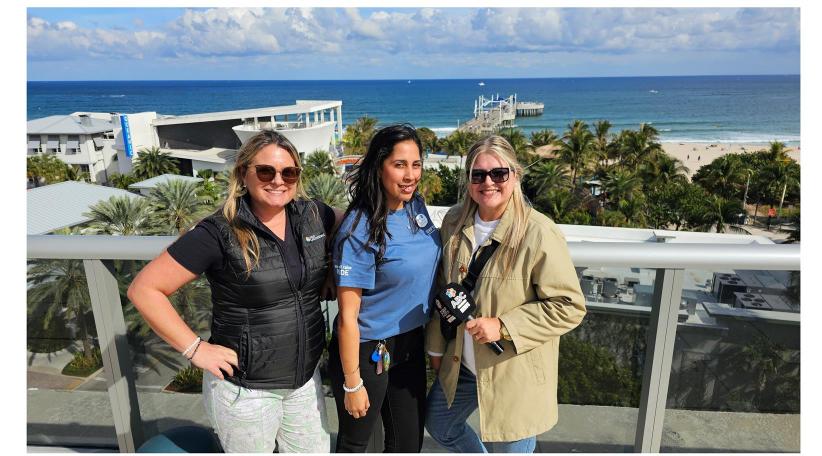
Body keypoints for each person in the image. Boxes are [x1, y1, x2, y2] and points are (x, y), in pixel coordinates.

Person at [127, 130, 341, 452]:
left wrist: (332, 268)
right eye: (266, 171)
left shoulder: (313, 215)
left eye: (289, 172)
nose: (278, 181)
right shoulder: (219, 232)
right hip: (246, 391)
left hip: (304, 382)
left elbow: (353, 226)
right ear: (243, 173)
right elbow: (144, 289)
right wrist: (195, 349)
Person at [424, 135, 587, 453]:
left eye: (498, 173)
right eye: (478, 175)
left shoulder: (538, 232)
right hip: (463, 364)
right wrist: (435, 347)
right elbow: (443, 290)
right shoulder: (454, 223)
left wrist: (503, 325)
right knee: (440, 423)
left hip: (513, 370)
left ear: (515, 174)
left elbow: (569, 306)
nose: (488, 182)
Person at [328, 124, 441, 452]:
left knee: (407, 444)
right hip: (367, 350)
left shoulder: (415, 206)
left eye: (416, 164)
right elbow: (348, 318)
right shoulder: (360, 229)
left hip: (410, 342)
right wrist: (352, 383)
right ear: (379, 168)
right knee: (355, 444)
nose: (410, 175)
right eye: (399, 165)